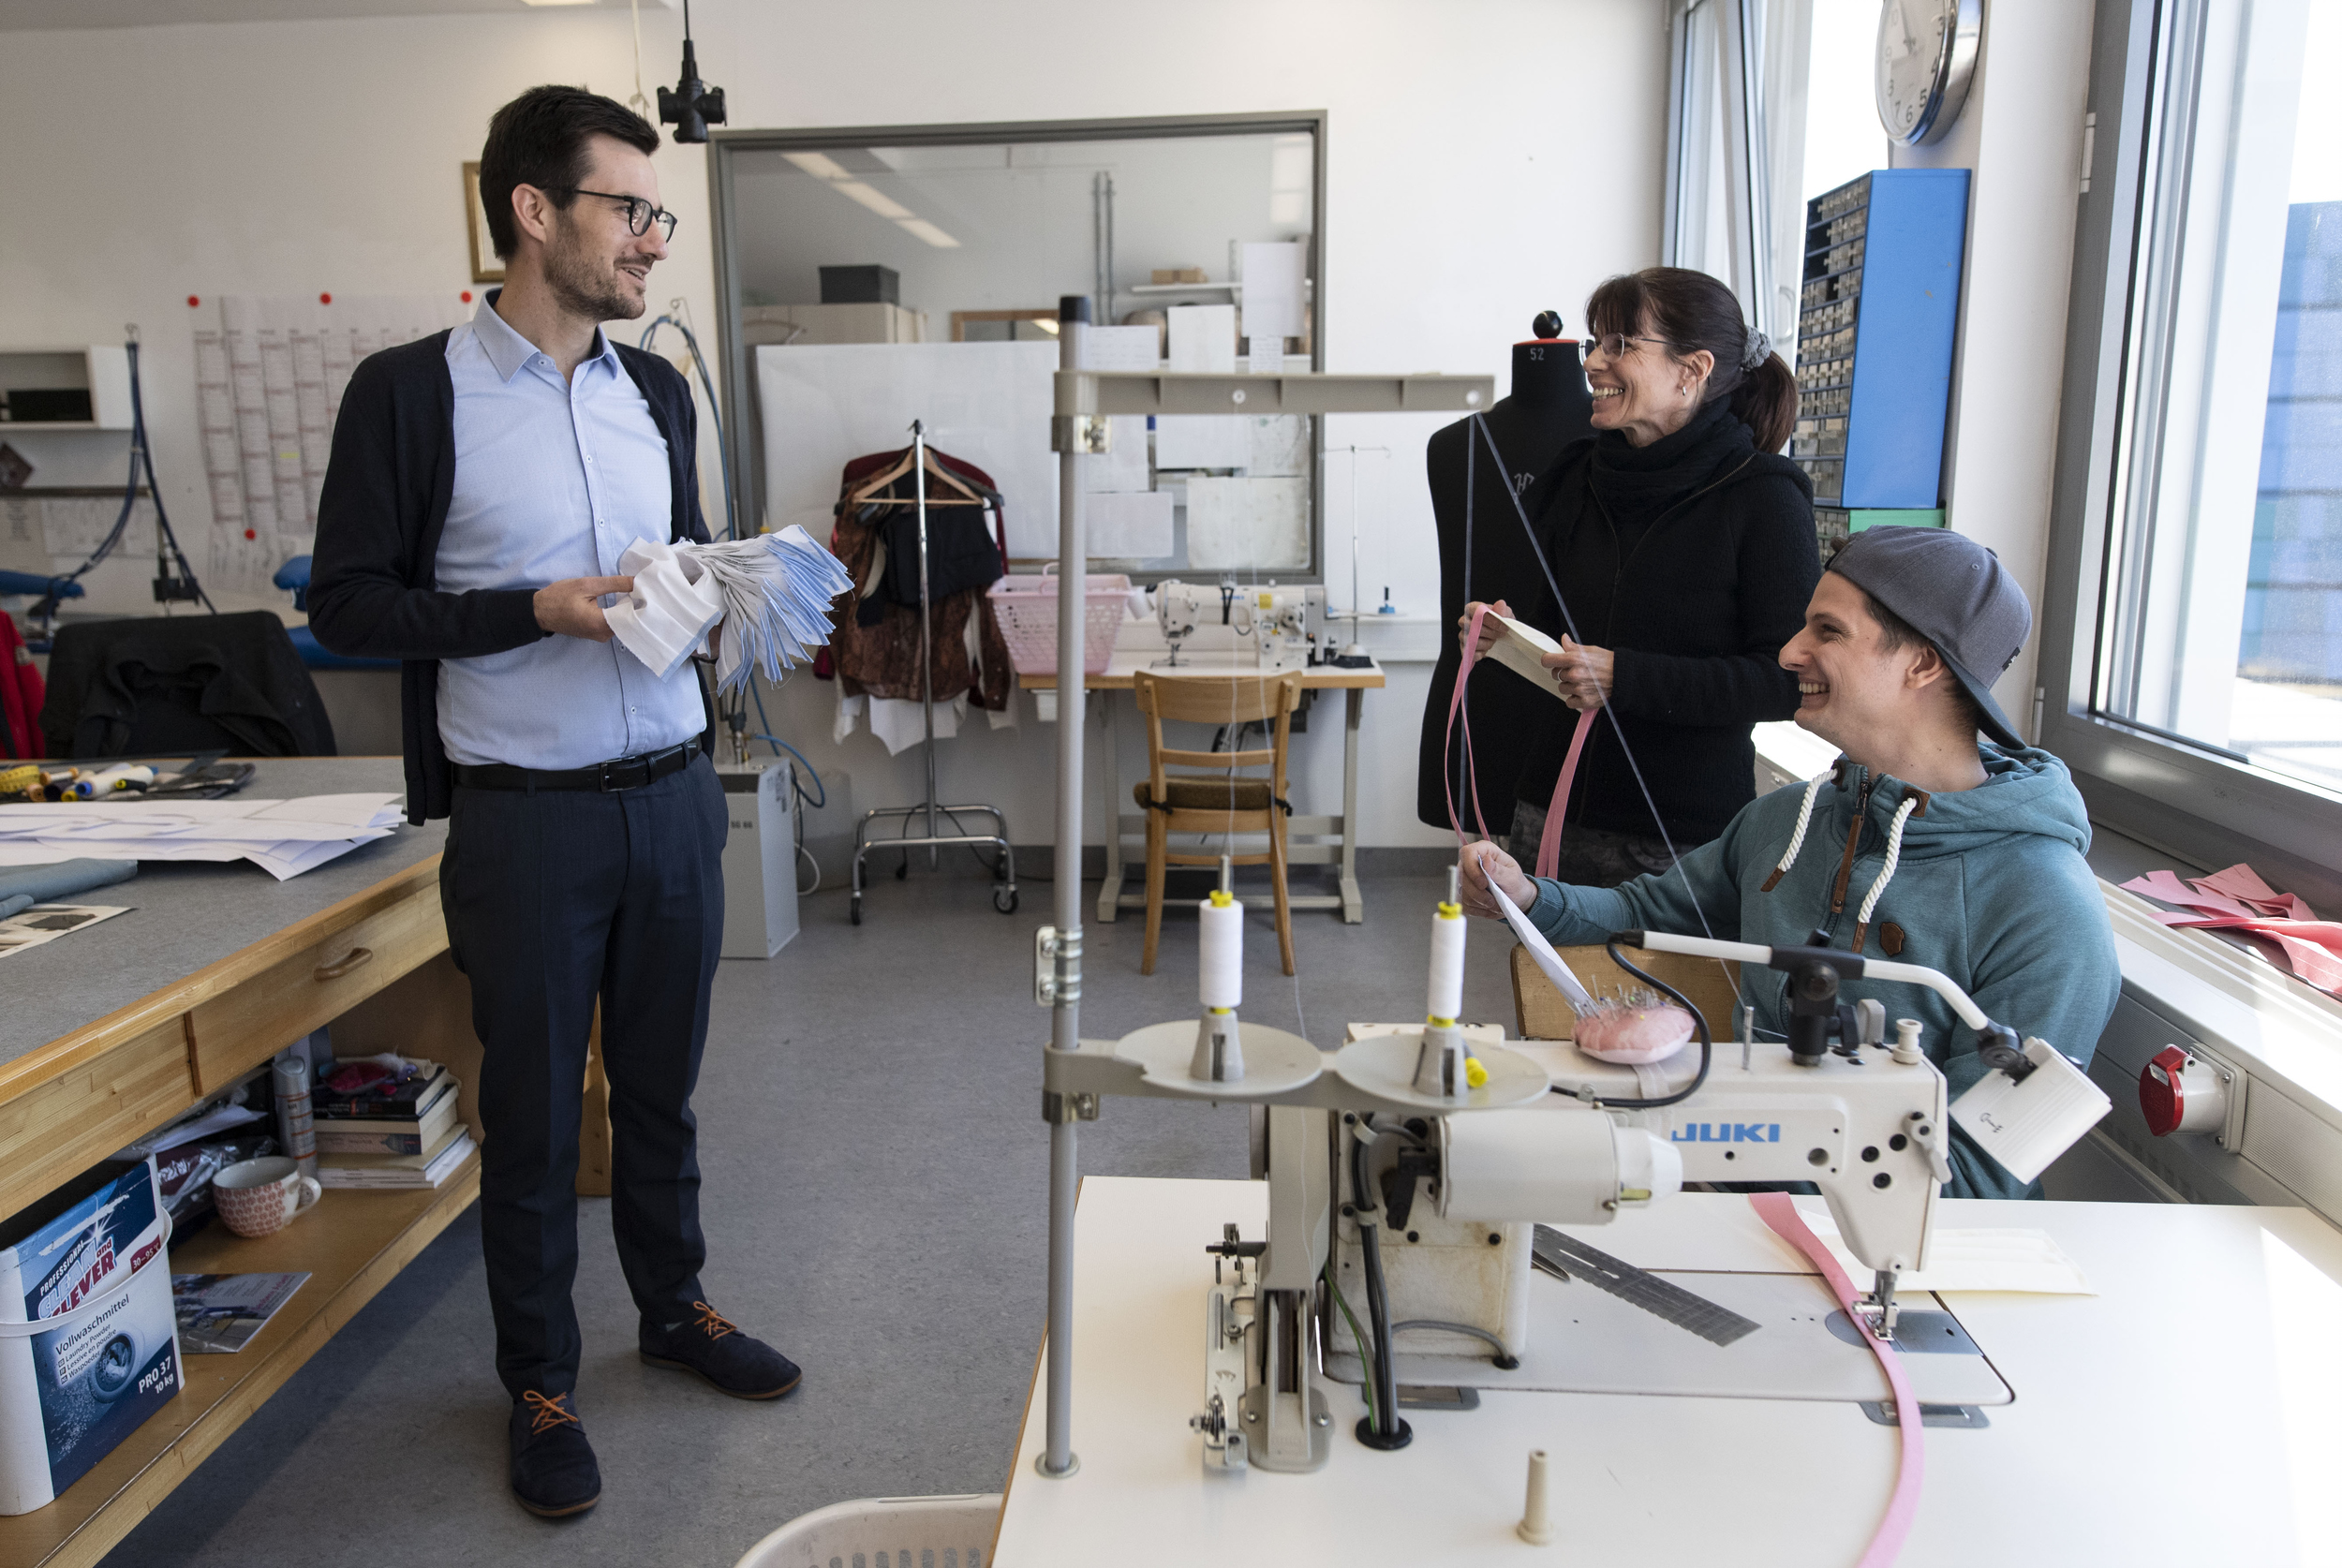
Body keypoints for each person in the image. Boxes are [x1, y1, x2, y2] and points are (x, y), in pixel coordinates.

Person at [308, 86, 798, 1520]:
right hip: (525, 818)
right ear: (535, 212)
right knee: (529, 1118)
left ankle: (676, 1306)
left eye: (658, 214)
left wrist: (722, 601)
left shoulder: (654, 390)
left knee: (661, 1090)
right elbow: (350, 604)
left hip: (671, 798)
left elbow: (684, 555)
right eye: (630, 210)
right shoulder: (411, 392)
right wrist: (536, 608)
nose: (654, 241)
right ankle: (538, 1379)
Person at [1459, 525, 2121, 1201]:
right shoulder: (1785, 820)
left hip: (1892, 1251)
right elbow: (1641, 912)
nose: (1787, 652)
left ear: (1922, 664)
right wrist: (1530, 896)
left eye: (1827, 632)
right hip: (1742, 1200)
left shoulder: (2048, 911)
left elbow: (1978, 1181)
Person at [1458, 267, 1820, 886]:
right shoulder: (1575, 476)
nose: (1594, 362)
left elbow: (1785, 683)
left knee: (1645, 990)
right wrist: (1511, 634)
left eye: (1620, 345)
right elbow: (1560, 632)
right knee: (1538, 986)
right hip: (1549, 808)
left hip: (1677, 840)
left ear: (1691, 370)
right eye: (1595, 342)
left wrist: (1628, 677)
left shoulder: (1764, 498)